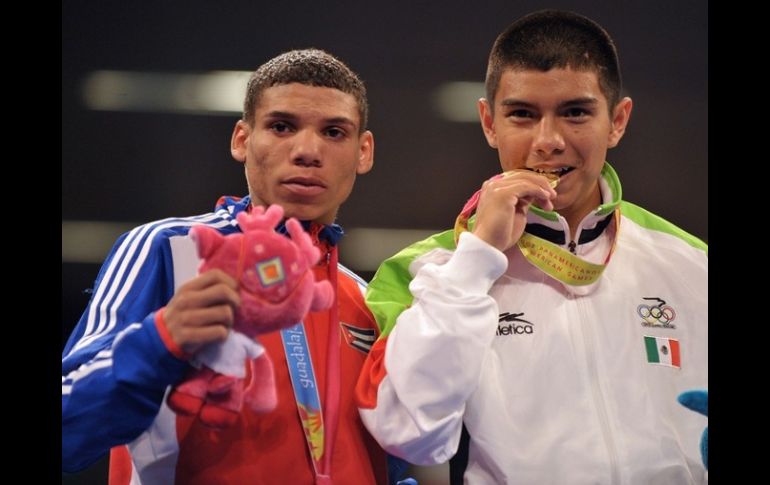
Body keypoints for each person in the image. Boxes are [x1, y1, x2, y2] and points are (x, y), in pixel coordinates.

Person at [356, 9, 707, 485]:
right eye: (522, 114)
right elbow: (409, 433)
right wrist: (476, 260)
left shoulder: (692, 262)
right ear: (488, 122)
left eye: (576, 112)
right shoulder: (423, 271)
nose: (548, 141)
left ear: (618, 121)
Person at [62, 48, 390, 484]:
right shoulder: (171, 250)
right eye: (281, 126)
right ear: (242, 139)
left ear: (363, 152)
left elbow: (386, 455)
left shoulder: (365, 299)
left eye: (333, 132)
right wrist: (161, 341)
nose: (308, 150)